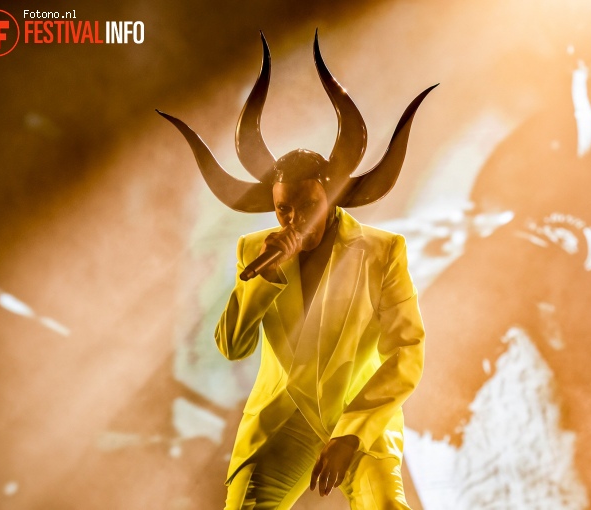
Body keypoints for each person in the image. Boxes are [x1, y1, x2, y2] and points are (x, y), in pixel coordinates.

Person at [158, 31, 435, 509]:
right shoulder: (254, 251)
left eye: (307, 206)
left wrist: (352, 433)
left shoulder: (382, 251)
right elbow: (231, 345)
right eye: (284, 209)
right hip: (283, 424)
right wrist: (266, 274)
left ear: (329, 199)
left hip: (358, 423)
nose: (293, 220)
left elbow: (406, 352)